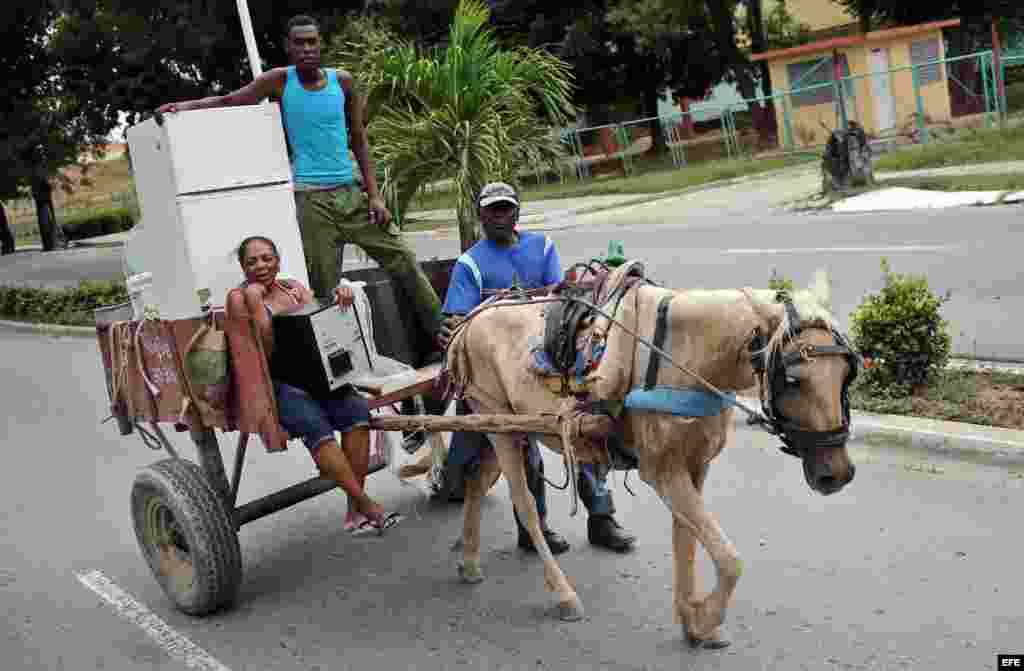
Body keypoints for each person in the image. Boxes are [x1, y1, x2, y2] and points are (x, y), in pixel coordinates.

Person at [157, 14, 442, 360]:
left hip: (352, 196)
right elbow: (232, 100)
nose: (307, 49)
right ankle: (339, 366)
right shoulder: (279, 82)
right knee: (324, 293)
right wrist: (185, 106)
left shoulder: (344, 83)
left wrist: (375, 194)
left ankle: (443, 336)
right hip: (311, 203)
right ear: (288, 48)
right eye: (300, 43)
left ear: (320, 45)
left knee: (406, 260)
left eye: (313, 42)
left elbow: (359, 139)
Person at [436, 182, 636, 554]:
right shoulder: (470, 264)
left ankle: (602, 519)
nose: (500, 216)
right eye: (492, 210)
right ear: (481, 216)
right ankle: (533, 527)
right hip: (504, 367)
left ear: (516, 213)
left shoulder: (541, 247)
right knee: (523, 439)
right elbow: (457, 324)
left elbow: (559, 300)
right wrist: (454, 325)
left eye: (506, 209)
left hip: (551, 355)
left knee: (587, 424)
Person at [234, 235, 402, 535]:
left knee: (356, 413)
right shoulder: (239, 298)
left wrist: (340, 297)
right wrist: (256, 303)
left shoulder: (293, 288)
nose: (261, 266)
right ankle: (366, 504)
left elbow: (318, 327)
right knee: (316, 426)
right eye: (252, 261)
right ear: (243, 267)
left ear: (278, 260)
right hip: (278, 383)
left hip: (314, 376)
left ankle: (354, 512)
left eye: (267, 258)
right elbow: (265, 347)